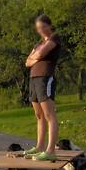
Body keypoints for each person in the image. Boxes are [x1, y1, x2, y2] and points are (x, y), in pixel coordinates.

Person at [25, 14, 61, 161]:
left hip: (45, 78)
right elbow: (27, 62)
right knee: (39, 115)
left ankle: (50, 150)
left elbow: (40, 54)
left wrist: (36, 56)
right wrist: (35, 57)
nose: (41, 30)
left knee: (49, 115)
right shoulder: (38, 43)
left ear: (50, 25)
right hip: (33, 78)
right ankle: (39, 147)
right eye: (38, 28)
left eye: (43, 27)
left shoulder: (55, 38)